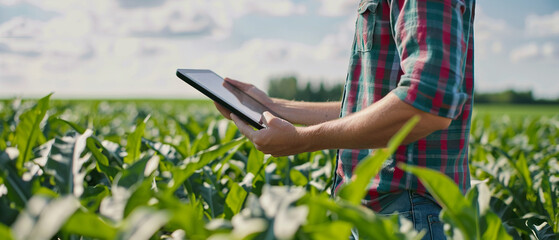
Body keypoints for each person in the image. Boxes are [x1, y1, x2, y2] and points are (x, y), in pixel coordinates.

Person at [215, 0, 475, 239]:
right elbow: (368, 107)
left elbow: (426, 103)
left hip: (407, 216)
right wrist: (273, 106)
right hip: (383, 212)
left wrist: (301, 141)